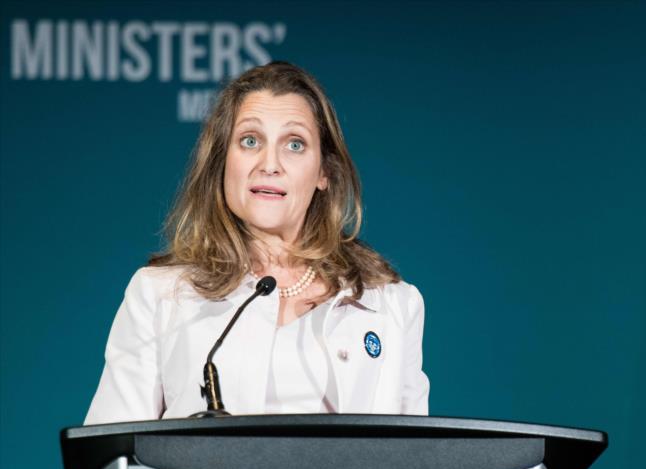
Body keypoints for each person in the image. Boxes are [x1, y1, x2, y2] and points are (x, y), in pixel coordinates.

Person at [84, 62, 429, 424]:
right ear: (222, 162)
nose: (270, 164)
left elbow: (416, 466)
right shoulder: (159, 296)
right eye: (250, 141)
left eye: (294, 144)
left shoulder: (394, 306)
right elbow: (112, 457)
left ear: (323, 172)